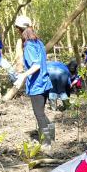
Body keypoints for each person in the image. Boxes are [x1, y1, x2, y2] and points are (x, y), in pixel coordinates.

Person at [13, 16, 53, 150]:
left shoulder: (29, 45)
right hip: (45, 82)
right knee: (41, 112)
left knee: (39, 114)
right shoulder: (38, 42)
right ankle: (51, 136)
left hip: (37, 84)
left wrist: (22, 76)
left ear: (19, 29)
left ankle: (46, 144)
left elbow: (36, 65)